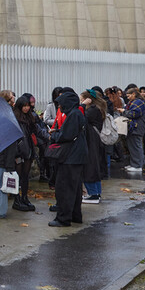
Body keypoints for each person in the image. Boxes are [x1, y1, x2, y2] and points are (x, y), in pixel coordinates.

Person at [48, 91, 88, 227]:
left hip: (70, 157)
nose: (59, 107)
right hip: (77, 156)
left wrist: (54, 136)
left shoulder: (73, 115)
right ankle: (75, 215)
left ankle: (63, 218)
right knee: (75, 189)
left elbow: (67, 135)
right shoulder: (77, 113)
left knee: (64, 188)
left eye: (61, 104)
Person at [11, 95, 38, 212]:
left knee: (25, 176)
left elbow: (36, 130)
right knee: (18, 175)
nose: (27, 108)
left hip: (28, 149)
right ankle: (17, 199)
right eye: (24, 106)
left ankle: (24, 197)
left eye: (28, 106)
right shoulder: (14, 117)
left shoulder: (30, 118)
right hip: (18, 151)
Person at [80, 89, 107, 204]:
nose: (80, 102)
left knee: (89, 167)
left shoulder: (91, 110)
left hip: (91, 141)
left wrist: (82, 105)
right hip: (95, 141)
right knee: (95, 167)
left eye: (82, 99)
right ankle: (96, 193)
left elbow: (79, 116)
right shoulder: (98, 109)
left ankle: (93, 194)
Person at [122, 87, 145, 172]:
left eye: (128, 96)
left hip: (137, 127)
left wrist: (123, 111)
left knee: (136, 146)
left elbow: (134, 114)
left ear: (133, 94)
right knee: (133, 147)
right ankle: (135, 163)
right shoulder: (135, 102)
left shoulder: (139, 102)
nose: (127, 98)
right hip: (134, 127)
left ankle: (137, 166)